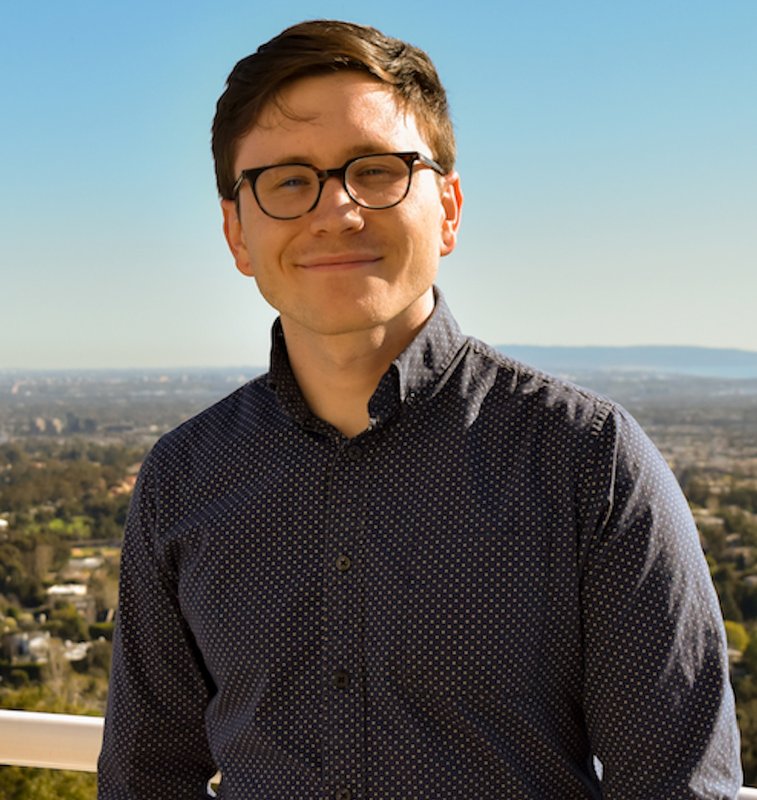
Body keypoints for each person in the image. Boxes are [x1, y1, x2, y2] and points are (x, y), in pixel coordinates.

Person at [97, 19, 742, 800]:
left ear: (449, 209)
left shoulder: (587, 460)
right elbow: (145, 778)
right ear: (237, 232)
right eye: (288, 180)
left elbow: (676, 786)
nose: (336, 211)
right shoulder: (184, 477)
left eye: (376, 171)